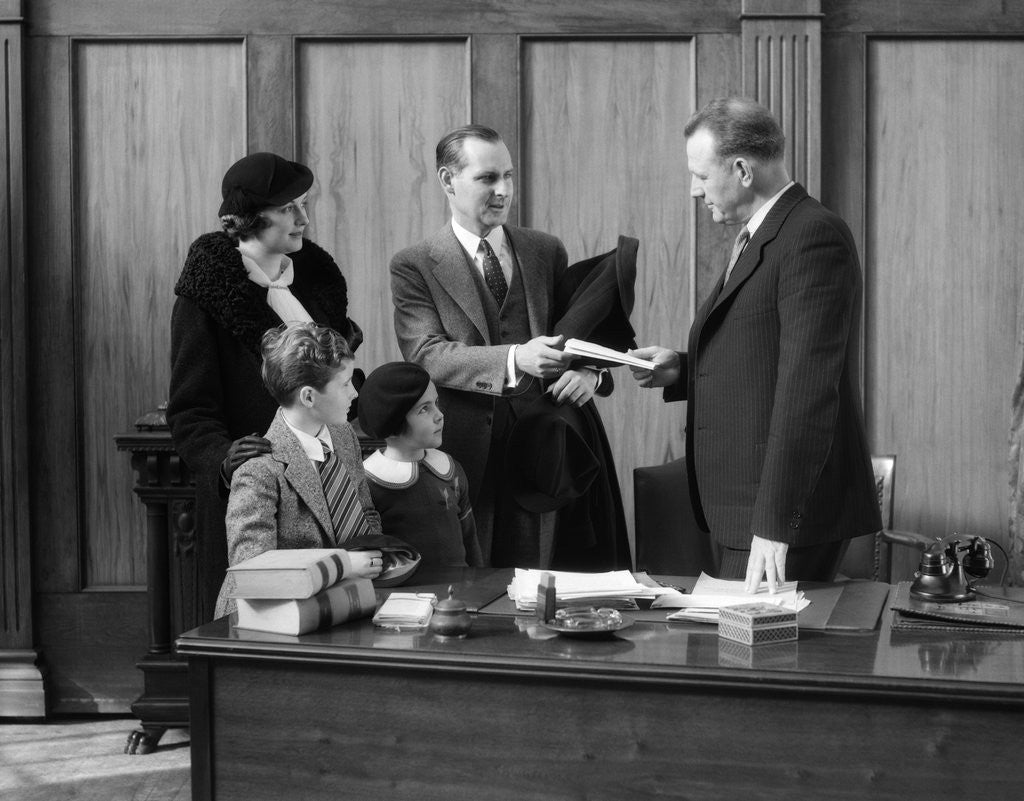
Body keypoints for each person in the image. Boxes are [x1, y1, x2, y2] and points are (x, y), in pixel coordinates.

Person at [629, 97, 881, 591]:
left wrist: (774, 524)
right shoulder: (762, 232)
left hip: (778, 515)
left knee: (754, 663)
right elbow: (760, 351)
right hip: (741, 506)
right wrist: (680, 368)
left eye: (701, 175)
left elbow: (807, 390)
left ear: (742, 169)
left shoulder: (812, 236)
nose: (694, 190)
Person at [390, 125, 624, 569]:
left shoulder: (545, 250)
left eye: (508, 177)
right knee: (476, 585)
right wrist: (517, 358)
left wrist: (589, 373)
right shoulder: (414, 264)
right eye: (487, 179)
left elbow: (577, 337)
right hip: (465, 453)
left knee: (550, 577)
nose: (503, 191)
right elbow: (426, 353)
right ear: (446, 180)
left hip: (550, 448)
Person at [168, 152, 363, 621]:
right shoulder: (205, 296)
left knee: (335, 614)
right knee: (262, 621)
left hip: (329, 477)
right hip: (255, 492)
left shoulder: (317, 281)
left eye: (304, 203)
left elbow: (337, 374)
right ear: (251, 219)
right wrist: (225, 459)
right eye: (288, 208)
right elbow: (190, 409)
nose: (304, 217)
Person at [213, 322, 382, 618]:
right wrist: (341, 564)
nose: (355, 393)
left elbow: (365, 511)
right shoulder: (258, 469)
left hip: (335, 603)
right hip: (260, 622)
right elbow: (253, 571)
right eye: (344, 384)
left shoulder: (343, 436)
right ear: (308, 397)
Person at [358, 361, 484, 568]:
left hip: (461, 594)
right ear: (392, 420)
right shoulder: (369, 483)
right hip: (405, 597)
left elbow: (470, 541)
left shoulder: (452, 470)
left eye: (436, 402)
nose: (439, 415)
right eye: (424, 409)